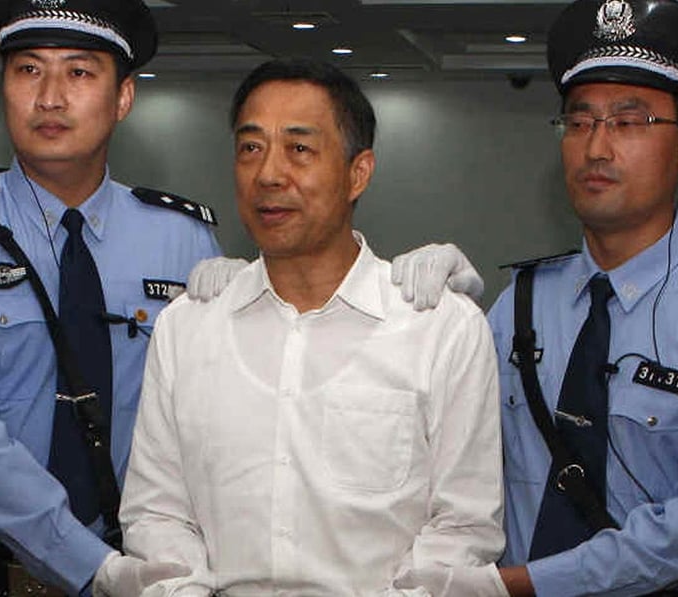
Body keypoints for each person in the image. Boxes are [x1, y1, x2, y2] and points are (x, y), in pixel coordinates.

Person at [386, 0, 678, 594]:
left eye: (630, 122)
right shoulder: (523, 301)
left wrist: (517, 586)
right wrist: (424, 324)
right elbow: (446, 455)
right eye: (579, 122)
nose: (597, 148)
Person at [118, 58, 506, 596]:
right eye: (251, 148)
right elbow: (156, 513)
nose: (269, 174)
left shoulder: (439, 329)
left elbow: (463, 529)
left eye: (299, 149)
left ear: (358, 172)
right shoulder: (188, 327)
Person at [0, 0, 219, 594]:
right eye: (28, 70)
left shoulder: (182, 237)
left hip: (144, 561)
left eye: (80, 72)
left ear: (123, 99)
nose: (50, 97)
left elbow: (214, 412)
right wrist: (91, 567)